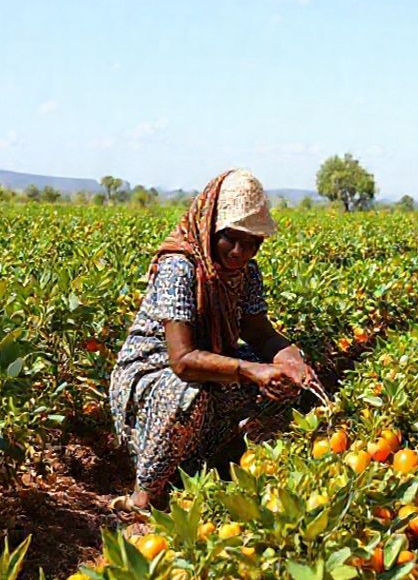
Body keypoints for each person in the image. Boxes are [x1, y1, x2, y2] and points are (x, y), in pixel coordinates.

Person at [108, 168, 317, 511]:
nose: (239, 251)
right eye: (231, 238)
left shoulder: (246, 273)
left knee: (284, 382)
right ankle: (143, 495)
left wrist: (290, 359)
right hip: (154, 374)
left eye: (251, 243)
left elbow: (260, 332)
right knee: (190, 395)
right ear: (210, 228)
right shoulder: (180, 268)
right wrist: (252, 370)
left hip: (213, 361)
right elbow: (183, 360)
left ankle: (220, 463)